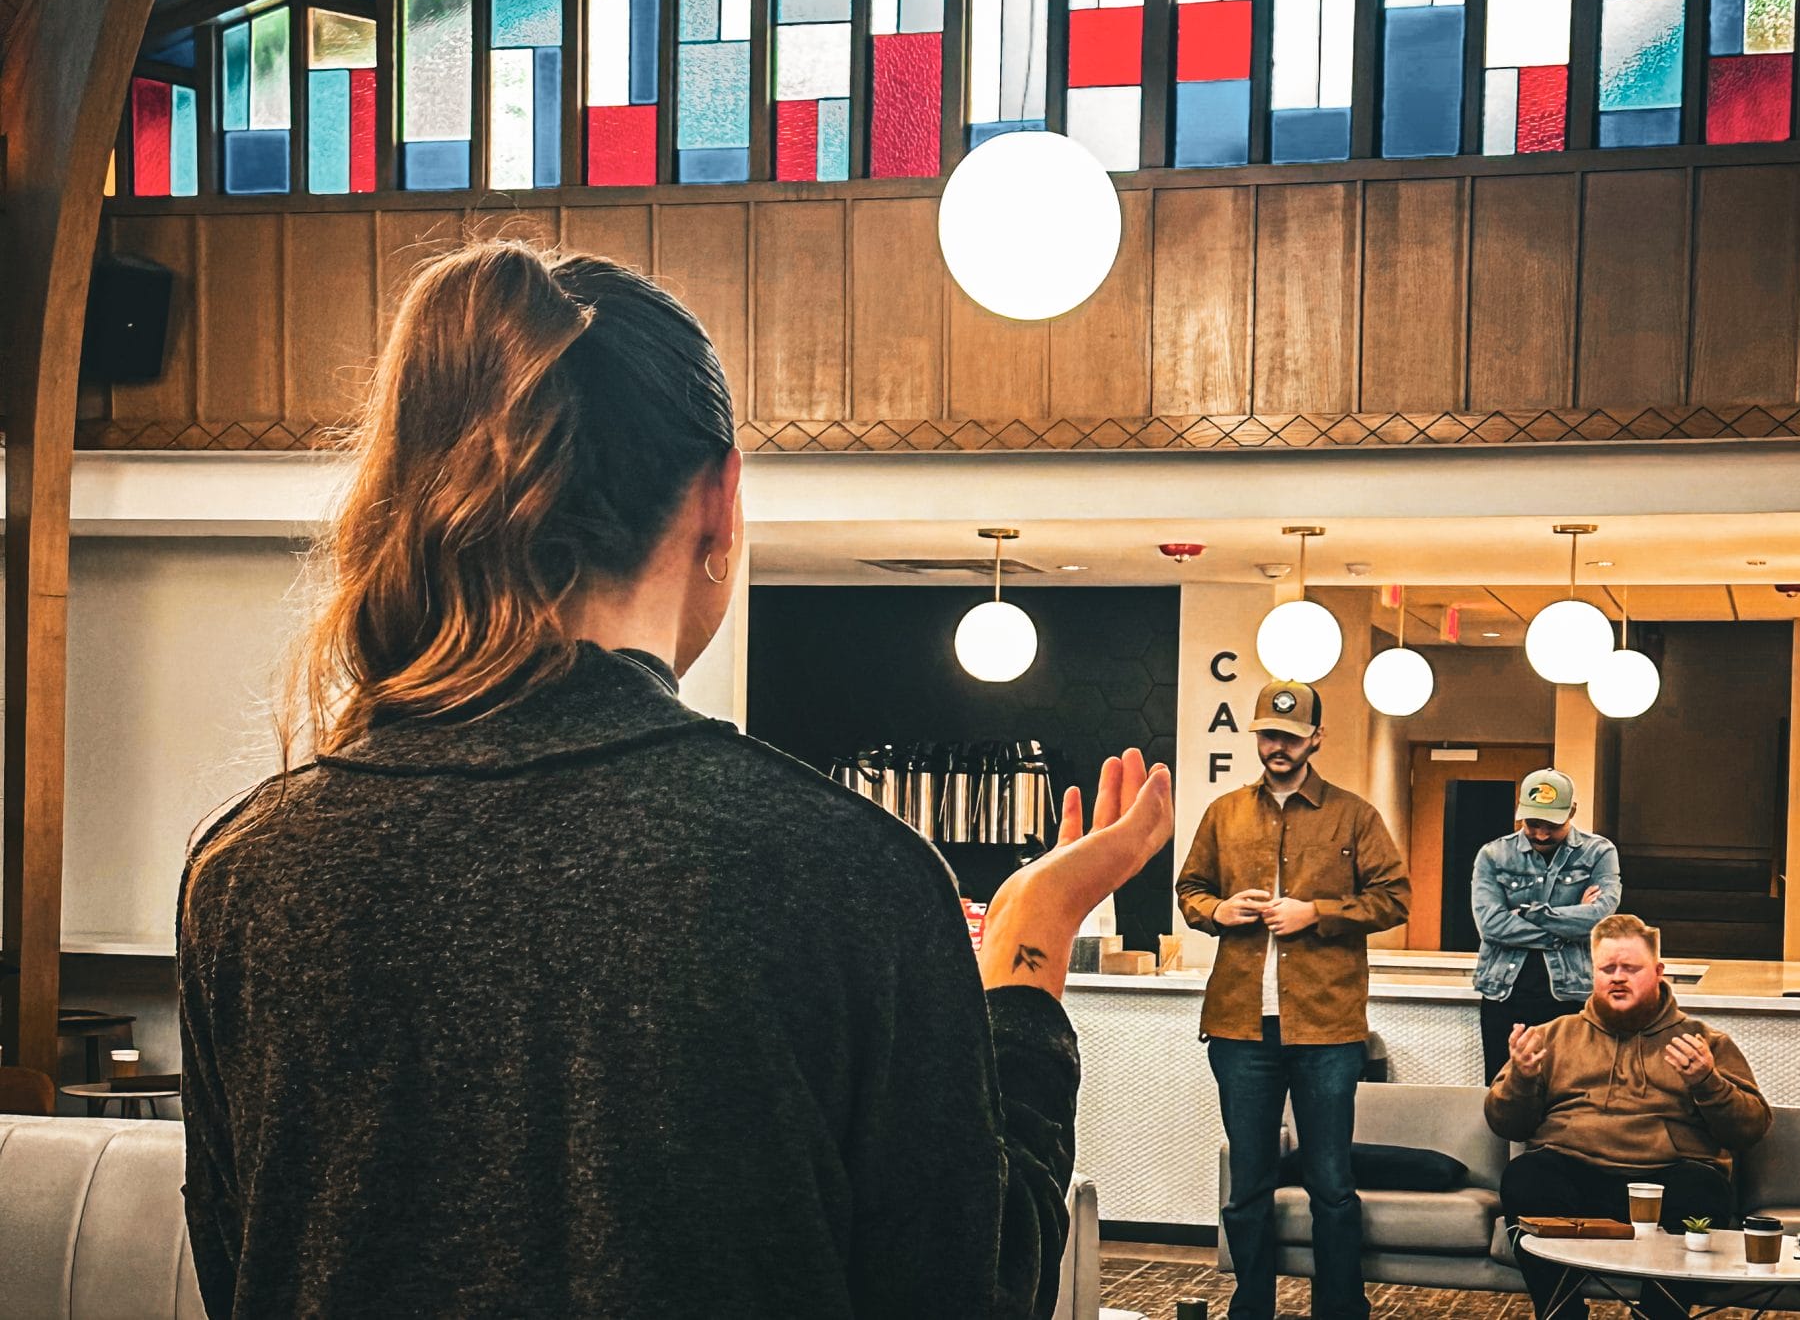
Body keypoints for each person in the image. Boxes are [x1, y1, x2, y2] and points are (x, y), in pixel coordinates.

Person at [177, 242, 1176, 1320]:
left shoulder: (248, 871)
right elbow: (968, 1291)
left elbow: (248, 1269)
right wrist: (1027, 951)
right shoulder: (845, 870)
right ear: (720, 505)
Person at [1176, 679, 1411, 1320]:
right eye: (1266, 735)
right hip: (1240, 1026)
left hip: (1328, 1028)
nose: (1275, 746)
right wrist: (1219, 909)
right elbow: (1190, 888)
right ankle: (1250, 1308)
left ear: (1315, 738)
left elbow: (1395, 897)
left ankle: (1340, 1308)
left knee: (1330, 1182)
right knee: (1247, 1181)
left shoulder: (1353, 814)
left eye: (1288, 735)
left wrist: (1318, 912)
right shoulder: (1225, 813)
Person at [1487, 913, 1772, 1320]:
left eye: (1630, 968)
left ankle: (1658, 1315)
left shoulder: (1704, 1041)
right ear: (1593, 973)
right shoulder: (1553, 1036)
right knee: (1525, 1177)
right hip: (1575, 1175)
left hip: (1667, 1178)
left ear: (1657, 972)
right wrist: (1522, 1077)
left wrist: (1708, 1082)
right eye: (1607, 969)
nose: (1617, 978)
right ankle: (1562, 1313)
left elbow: (1751, 1129)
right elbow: (1505, 1124)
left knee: (1706, 1188)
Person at [1471, 769, 1622, 1082]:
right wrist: (1571, 917)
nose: (1540, 834)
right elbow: (1491, 926)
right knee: (1501, 1092)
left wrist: (1529, 914)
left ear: (1572, 813)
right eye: (1532, 824)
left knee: (1570, 1093)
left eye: (1551, 826)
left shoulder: (1599, 853)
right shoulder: (1493, 854)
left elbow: (1599, 921)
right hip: (1505, 994)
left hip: (1572, 995)